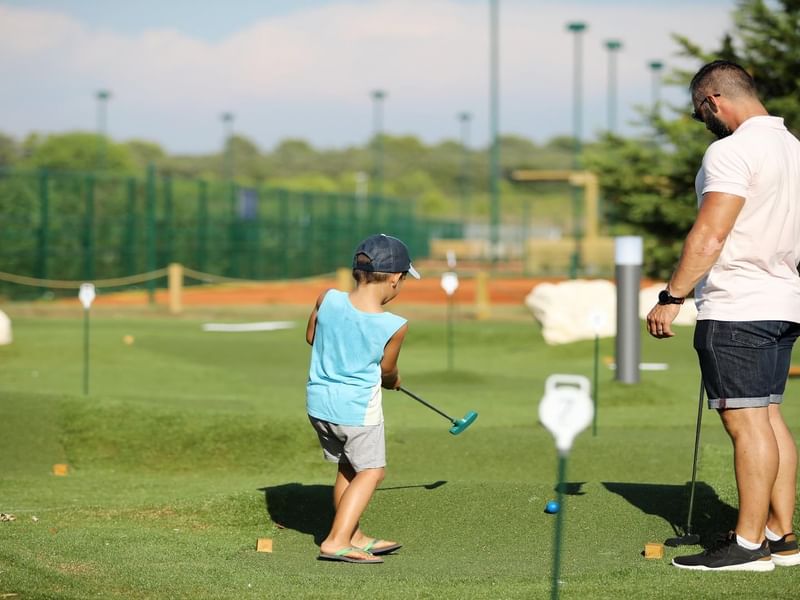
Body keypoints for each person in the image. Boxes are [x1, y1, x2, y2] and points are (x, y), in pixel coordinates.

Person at [647, 59, 800, 571]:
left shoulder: (731, 151)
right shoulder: (793, 147)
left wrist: (672, 297)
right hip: (782, 301)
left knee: (747, 423)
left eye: (699, 113)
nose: (702, 122)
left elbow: (711, 233)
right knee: (770, 416)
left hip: (738, 306)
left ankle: (749, 545)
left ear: (713, 100)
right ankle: (781, 535)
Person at [305, 233, 420, 564]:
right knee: (372, 471)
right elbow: (387, 372)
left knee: (349, 466)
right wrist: (395, 381)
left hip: (320, 405)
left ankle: (352, 533)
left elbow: (312, 336)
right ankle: (337, 540)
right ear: (395, 279)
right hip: (357, 410)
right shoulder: (394, 325)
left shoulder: (326, 298)